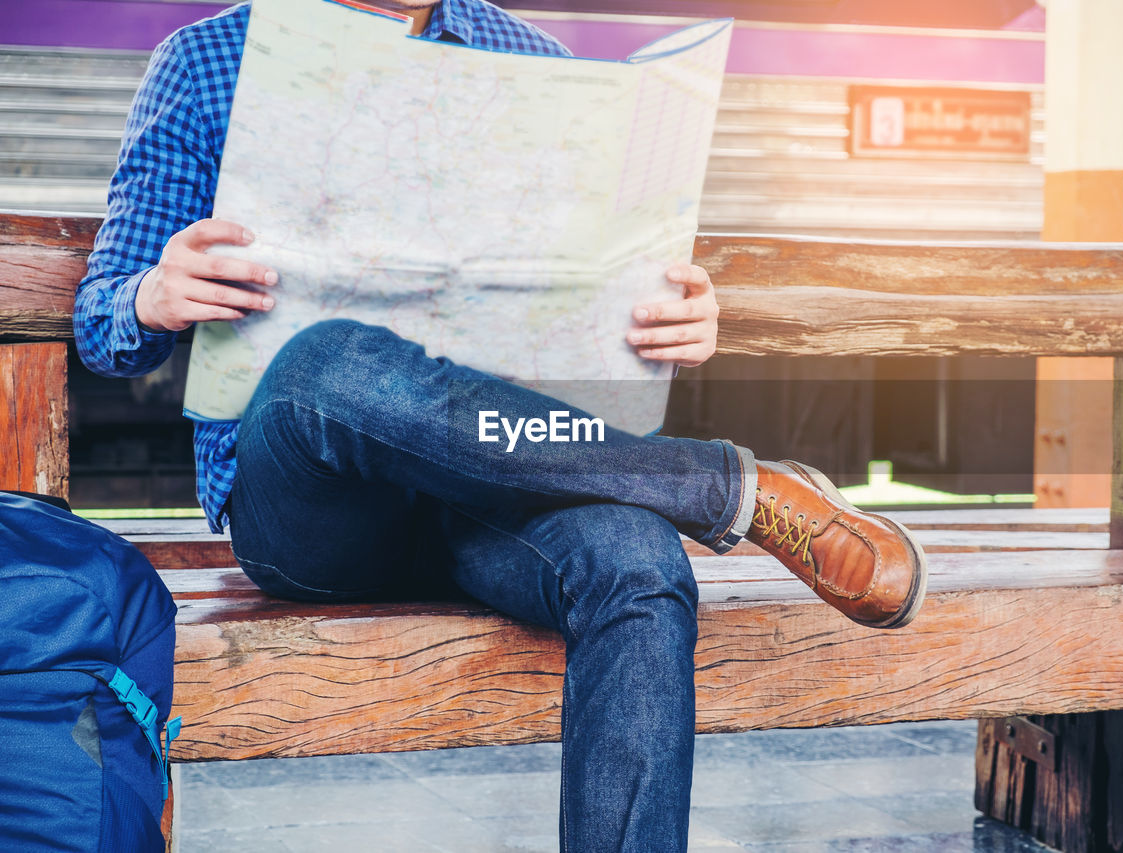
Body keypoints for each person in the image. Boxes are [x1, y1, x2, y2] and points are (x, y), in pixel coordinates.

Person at [74, 1, 927, 850]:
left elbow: (584, 282)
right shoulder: (209, 59)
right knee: (324, 361)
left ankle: (712, 494)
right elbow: (100, 316)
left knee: (638, 557)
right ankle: (721, 485)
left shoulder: (532, 61)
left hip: (499, 474)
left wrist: (667, 313)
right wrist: (151, 294)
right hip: (314, 508)